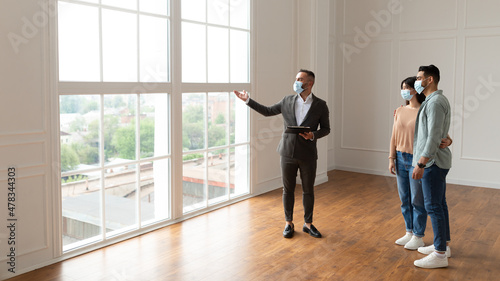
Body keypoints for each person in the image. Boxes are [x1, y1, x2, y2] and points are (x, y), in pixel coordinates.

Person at [233, 69, 330, 238]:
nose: (297, 82)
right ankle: (288, 223)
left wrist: (313, 135)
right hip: (287, 153)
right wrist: (247, 100)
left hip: (308, 154)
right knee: (288, 190)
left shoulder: (320, 105)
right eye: (296, 78)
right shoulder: (287, 100)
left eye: (300, 79)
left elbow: (326, 129)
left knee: (308, 190)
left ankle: (308, 224)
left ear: (310, 83)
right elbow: (267, 111)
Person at [389, 76, 452, 251]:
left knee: (419, 200)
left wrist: (449, 140)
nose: (404, 91)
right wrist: (391, 157)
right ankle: (409, 231)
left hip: (417, 159)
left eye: (407, 87)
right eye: (402, 87)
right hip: (401, 158)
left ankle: (419, 235)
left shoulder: (425, 109)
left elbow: (436, 133)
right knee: (405, 199)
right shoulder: (400, 110)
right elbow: (393, 135)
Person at [411, 65, 452, 269]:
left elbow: (433, 136)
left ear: (430, 79)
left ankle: (439, 254)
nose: (416, 81)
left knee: (433, 206)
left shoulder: (435, 102)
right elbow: (440, 132)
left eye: (419, 78)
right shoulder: (434, 101)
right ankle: (442, 244)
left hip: (432, 163)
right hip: (437, 161)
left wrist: (421, 163)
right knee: (440, 204)